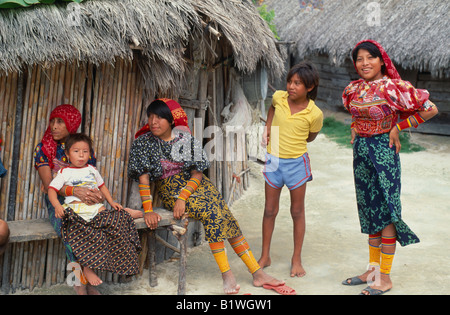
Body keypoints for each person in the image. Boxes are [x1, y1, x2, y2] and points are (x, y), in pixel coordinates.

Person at [128, 98, 292, 295]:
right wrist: (148, 211)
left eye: (160, 117)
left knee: (227, 217)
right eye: (151, 117)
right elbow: (144, 180)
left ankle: (257, 273)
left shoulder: (185, 140)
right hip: (171, 190)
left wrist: (183, 198)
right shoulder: (143, 143)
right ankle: (227, 275)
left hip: (195, 186)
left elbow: (197, 174)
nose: (153, 122)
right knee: (212, 212)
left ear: (171, 120)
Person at [341, 39, 438, 295]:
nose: (364, 63)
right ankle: (372, 272)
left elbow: (430, 109)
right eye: (359, 59)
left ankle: (384, 277)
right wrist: (355, 126)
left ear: (381, 60)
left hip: (384, 154)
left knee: (386, 211)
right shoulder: (355, 89)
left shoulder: (395, 87)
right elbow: (356, 113)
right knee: (370, 211)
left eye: (369, 58)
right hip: (361, 154)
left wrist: (398, 127)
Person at [47, 133, 141, 287]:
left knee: (114, 222)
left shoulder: (92, 169)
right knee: (83, 234)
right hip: (76, 212)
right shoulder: (64, 173)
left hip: (95, 208)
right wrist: (57, 205)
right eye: (76, 151)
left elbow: (102, 187)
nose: (81, 155)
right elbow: (51, 190)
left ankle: (123, 213)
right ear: (67, 154)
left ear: (90, 154)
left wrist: (111, 201)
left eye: (85, 151)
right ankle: (87, 268)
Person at [259, 61, 323, 278]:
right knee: (269, 210)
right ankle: (265, 255)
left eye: (298, 83)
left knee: (297, 211)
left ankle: (296, 259)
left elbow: (311, 136)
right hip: (273, 161)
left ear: (310, 87)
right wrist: (268, 128)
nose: (291, 87)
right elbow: (272, 108)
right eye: (290, 82)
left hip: (297, 164)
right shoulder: (279, 98)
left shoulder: (315, 114)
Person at [34, 104, 106, 294]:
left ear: (71, 124)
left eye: (60, 122)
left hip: (84, 201)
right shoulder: (43, 148)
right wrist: (75, 190)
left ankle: (85, 281)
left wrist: (93, 196)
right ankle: (80, 284)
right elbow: (50, 184)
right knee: (70, 233)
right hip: (57, 202)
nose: (54, 126)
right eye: (52, 121)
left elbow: (91, 179)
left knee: (95, 227)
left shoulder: (81, 147)